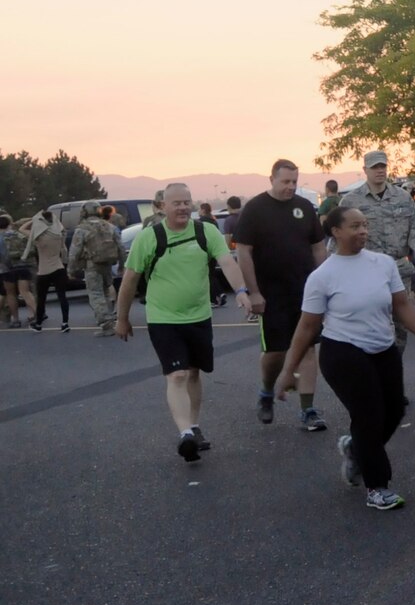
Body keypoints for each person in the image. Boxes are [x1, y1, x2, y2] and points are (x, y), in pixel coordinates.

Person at [275, 205, 415, 510]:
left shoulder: (383, 264)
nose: (363, 231)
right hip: (343, 352)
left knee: (393, 411)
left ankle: (356, 448)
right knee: (368, 416)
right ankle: (377, 486)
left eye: (365, 225)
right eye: (355, 226)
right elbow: (307, 326)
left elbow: (402, 306)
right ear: (336, 231)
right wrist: (289, 370)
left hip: (384, 348)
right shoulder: (322, 276)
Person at [115, 184, 255, 461]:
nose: (182, 207)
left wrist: (241, 291)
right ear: (162, 207)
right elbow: (130, 279)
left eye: (186, 202)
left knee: (193, 372)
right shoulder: (150, 237)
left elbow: (227, 262)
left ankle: (193, 425)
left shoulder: (206, 232)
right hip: (163, 317)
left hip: (199, 315)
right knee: (177, 375)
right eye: (176, 203)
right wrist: (122, 318)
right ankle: (185, 434)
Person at [236, 160, 331, 431]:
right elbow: (243, 252)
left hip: (305, 291)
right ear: (272, 179)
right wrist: (253, 292)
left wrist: (322, 283)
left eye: (294, 181)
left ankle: (308, 410)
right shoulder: (255, 209)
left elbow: (318, 247)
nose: (290, 186)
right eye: (285, 181)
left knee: (308, 348)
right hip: (271, 293)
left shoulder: (304, 207)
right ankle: (266, 392)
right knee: (276, 351)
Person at [342, 151, 415, 352]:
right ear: (365, 170)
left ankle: (392, 369)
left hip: (398, 270)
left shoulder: (402, 197)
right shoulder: (350, 201)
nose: (380, 171)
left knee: (400, 325)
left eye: (382, 166)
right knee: (369, 323)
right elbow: (339, 237)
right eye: (374, 167)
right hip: (365, 270)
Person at [67, 205, 124, 335]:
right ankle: (111, 319)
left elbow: (74, 252)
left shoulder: (82, 229)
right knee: (106, 292)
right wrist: (122, 265)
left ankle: (106, 325)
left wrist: (71, 269)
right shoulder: (109, 226)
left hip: (92, 266)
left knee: (96, 294)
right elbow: (120, 246)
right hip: (107, 265)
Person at [23, 209, 70, 332]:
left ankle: (38, 324)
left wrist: (32, 220)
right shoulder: (59, 234)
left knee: (42, 298)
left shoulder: (39, 237)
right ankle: (65, 323)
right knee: (62, 297)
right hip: (59, 268)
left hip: (44, 270)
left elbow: (21, 229)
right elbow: (61, 228)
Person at [1, 215, 31, 327]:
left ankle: (16, 320)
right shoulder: (17, 234)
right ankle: (34, 314)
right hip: (22, 265)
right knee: (26, 292)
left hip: (6, 269)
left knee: (10, 294)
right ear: (9, 224)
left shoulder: (0, 237)